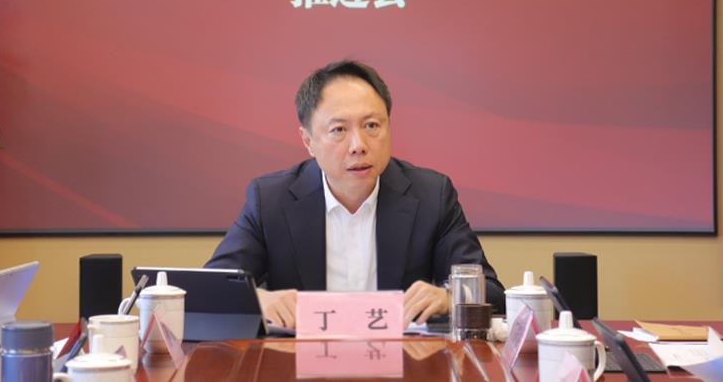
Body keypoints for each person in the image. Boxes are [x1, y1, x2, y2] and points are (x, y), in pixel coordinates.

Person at [205, 60, 504, 328]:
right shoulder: (271, 200)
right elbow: (210, 289)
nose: (358, 145)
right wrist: (260, 299)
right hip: (297, 361)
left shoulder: (431, 196)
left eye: (371, 125)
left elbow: (492, 291)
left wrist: (447, 297)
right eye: (339, 130)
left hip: (404, 360)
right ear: (308, 141)